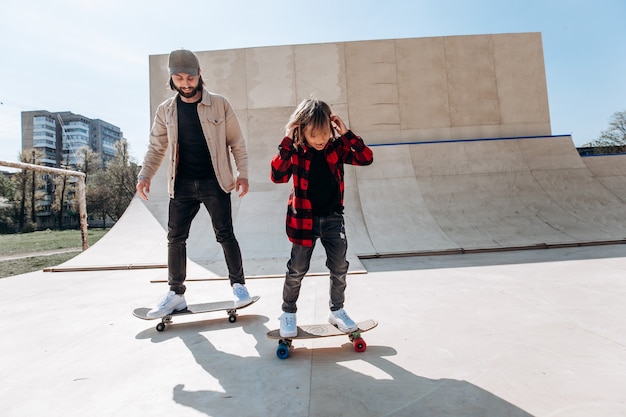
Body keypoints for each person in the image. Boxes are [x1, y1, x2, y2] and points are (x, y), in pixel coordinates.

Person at [136, 48, 252, 318]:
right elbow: (156, 147)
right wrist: (145, 175)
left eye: (189, 78)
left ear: (199, 75)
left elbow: (237, 142)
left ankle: (239, 286)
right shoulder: (166, 110)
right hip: (182, 184)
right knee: (175, 238)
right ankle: (175, 294)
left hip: (216, 181)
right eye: (179, 79)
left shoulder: (220, 104)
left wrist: (242, 173)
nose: (185, 84)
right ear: (171, 79)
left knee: (225, 234)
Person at [270, 98, 374, 337]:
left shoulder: (336, 148)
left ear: (332, 128)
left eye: (325, 133)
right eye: (314, 134)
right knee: (297, 269)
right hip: (302, 221)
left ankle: (337, 310)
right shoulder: (295, 152)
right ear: (301, 131)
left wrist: (346, 134)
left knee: (339, 266)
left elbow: (366, 157)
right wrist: (287, 138)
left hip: (333, 218)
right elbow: (277, 175)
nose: (320, 139)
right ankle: (288, 312)